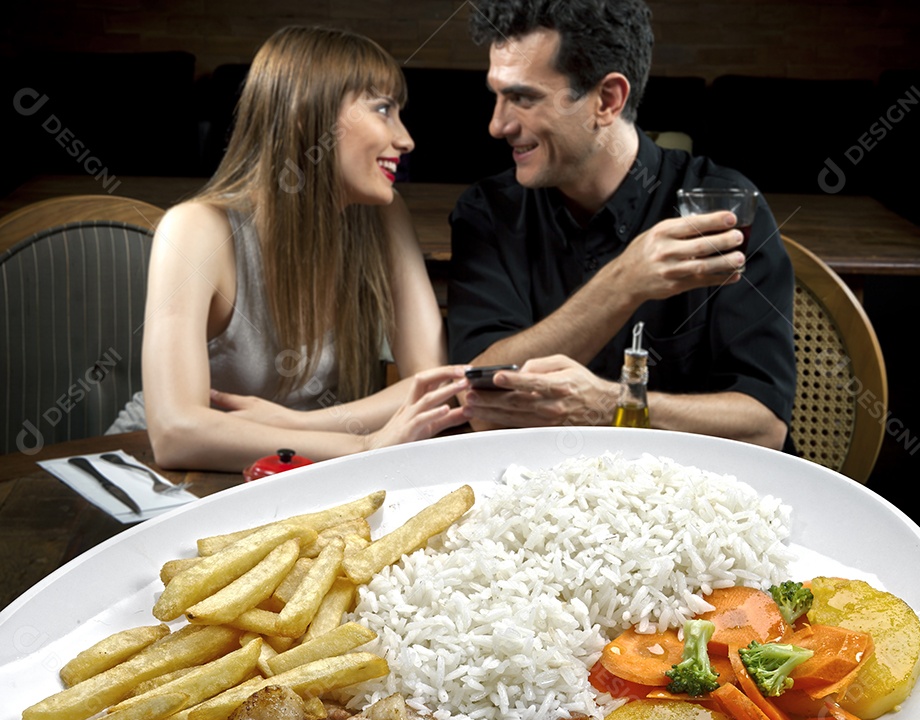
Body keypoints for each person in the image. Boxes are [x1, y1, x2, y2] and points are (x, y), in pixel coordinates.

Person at [111, 25, 468, 471]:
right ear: (306, 117)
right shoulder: (196, 228)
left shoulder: (383, 215)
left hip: (289, 473)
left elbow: (428, 387)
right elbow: (176, 434)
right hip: (160, 474)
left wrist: (298, 425)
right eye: (382, 110)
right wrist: (363, 447)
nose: (406, 139)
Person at [448, 0, 796, 450]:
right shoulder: (487, 212)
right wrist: (624, 281)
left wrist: (611, 405)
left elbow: (763, 426)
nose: (497, 125)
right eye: (496, 95)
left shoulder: (723, 205)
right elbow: (480, 401)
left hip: (702, 499)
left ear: (607, 100)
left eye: (523, 97)